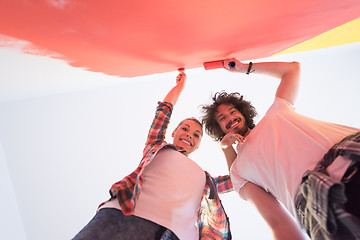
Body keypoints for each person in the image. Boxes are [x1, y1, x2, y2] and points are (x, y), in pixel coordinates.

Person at [201, 58, 360, 240]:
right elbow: (277, 222)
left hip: (350, 154)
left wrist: (244, 68)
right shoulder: (239, 171)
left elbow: (292, 70)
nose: (230, 117)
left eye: (232, 111)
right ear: (219, 128)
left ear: (243, 112)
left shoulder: (276, 112)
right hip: (319, 200)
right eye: (222, 118)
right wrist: (225, 147)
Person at [72, 70, 233, 240]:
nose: (189, 135)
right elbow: (163, 113)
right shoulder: (156, 147)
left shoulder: (205, 180)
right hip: (125, 217)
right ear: (174, 132)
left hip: (174, 234)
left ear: (198, 145)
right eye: (185, 129)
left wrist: (228, 147)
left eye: (196, 135)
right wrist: (179, 87)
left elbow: (238, 178)